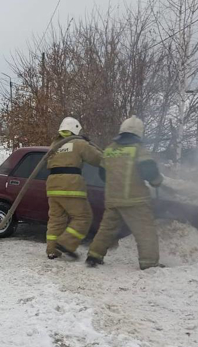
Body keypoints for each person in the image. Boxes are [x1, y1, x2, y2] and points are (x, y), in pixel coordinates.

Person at [86, 116, 163, 270]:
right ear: (139, 132)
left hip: (113, 199)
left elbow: (102, 175)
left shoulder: (109, 150)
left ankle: (94, 255)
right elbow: (150, 173)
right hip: (136, 201)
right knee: (145, 232)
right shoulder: (138, 150)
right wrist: (157, 181)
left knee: (106, 229)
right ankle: (149, 263)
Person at [45, 117, 103, 260]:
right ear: (76, 129)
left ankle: (52, 250)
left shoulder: (54, 145)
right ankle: (66, 243)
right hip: (70, 186)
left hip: (53, 186)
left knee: (56, 219)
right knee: (83, 217)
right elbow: (98, 159)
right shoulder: (79, 143)